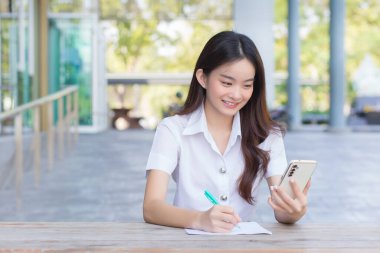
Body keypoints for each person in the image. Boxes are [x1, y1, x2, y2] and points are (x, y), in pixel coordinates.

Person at [143, 31, 311, 233]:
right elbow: (151, 207)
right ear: (203, 78)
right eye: (227, 83)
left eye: (247, 85)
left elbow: (281, 211)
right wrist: (200, 219)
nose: (237, 94)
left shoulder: (268, 135)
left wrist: (293, 212)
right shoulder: (173, 130)